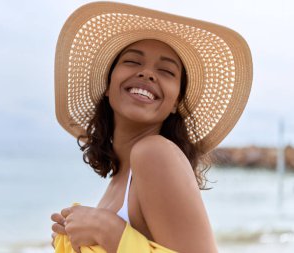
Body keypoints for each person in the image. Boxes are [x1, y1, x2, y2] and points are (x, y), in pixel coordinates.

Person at [51, 2, 253, 253]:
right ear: (107, 83)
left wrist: (107, 230)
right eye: (132, 62)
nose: (147, 73)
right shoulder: (119, 178)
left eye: (166, 71)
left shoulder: (153, 152)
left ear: (175, 103)